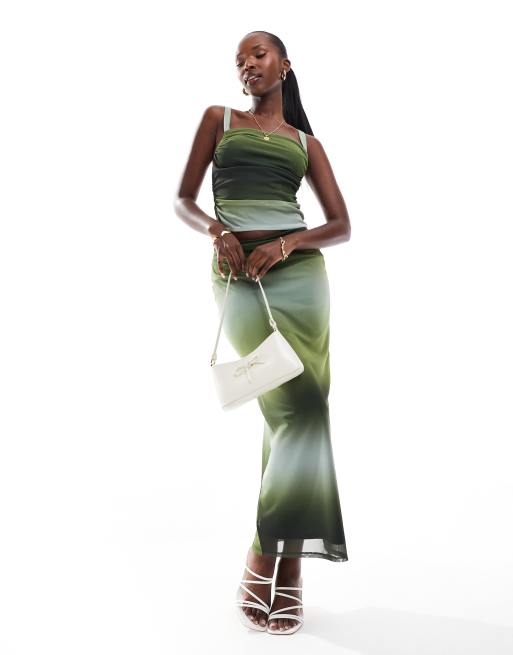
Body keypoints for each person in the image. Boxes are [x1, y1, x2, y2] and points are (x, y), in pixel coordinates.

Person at [174, 30, 351, 636]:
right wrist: (217, 230)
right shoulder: (218, 120)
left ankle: (276, 559)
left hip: (300, 280)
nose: (246, 64)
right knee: (291, 409)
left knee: (304, 412)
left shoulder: (306, 143)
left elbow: (341, 224)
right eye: (239, 59)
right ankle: (280, 556)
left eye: (258, 54)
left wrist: (288, 243)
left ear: (284, 65)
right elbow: (182, 200)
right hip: (238, 278)